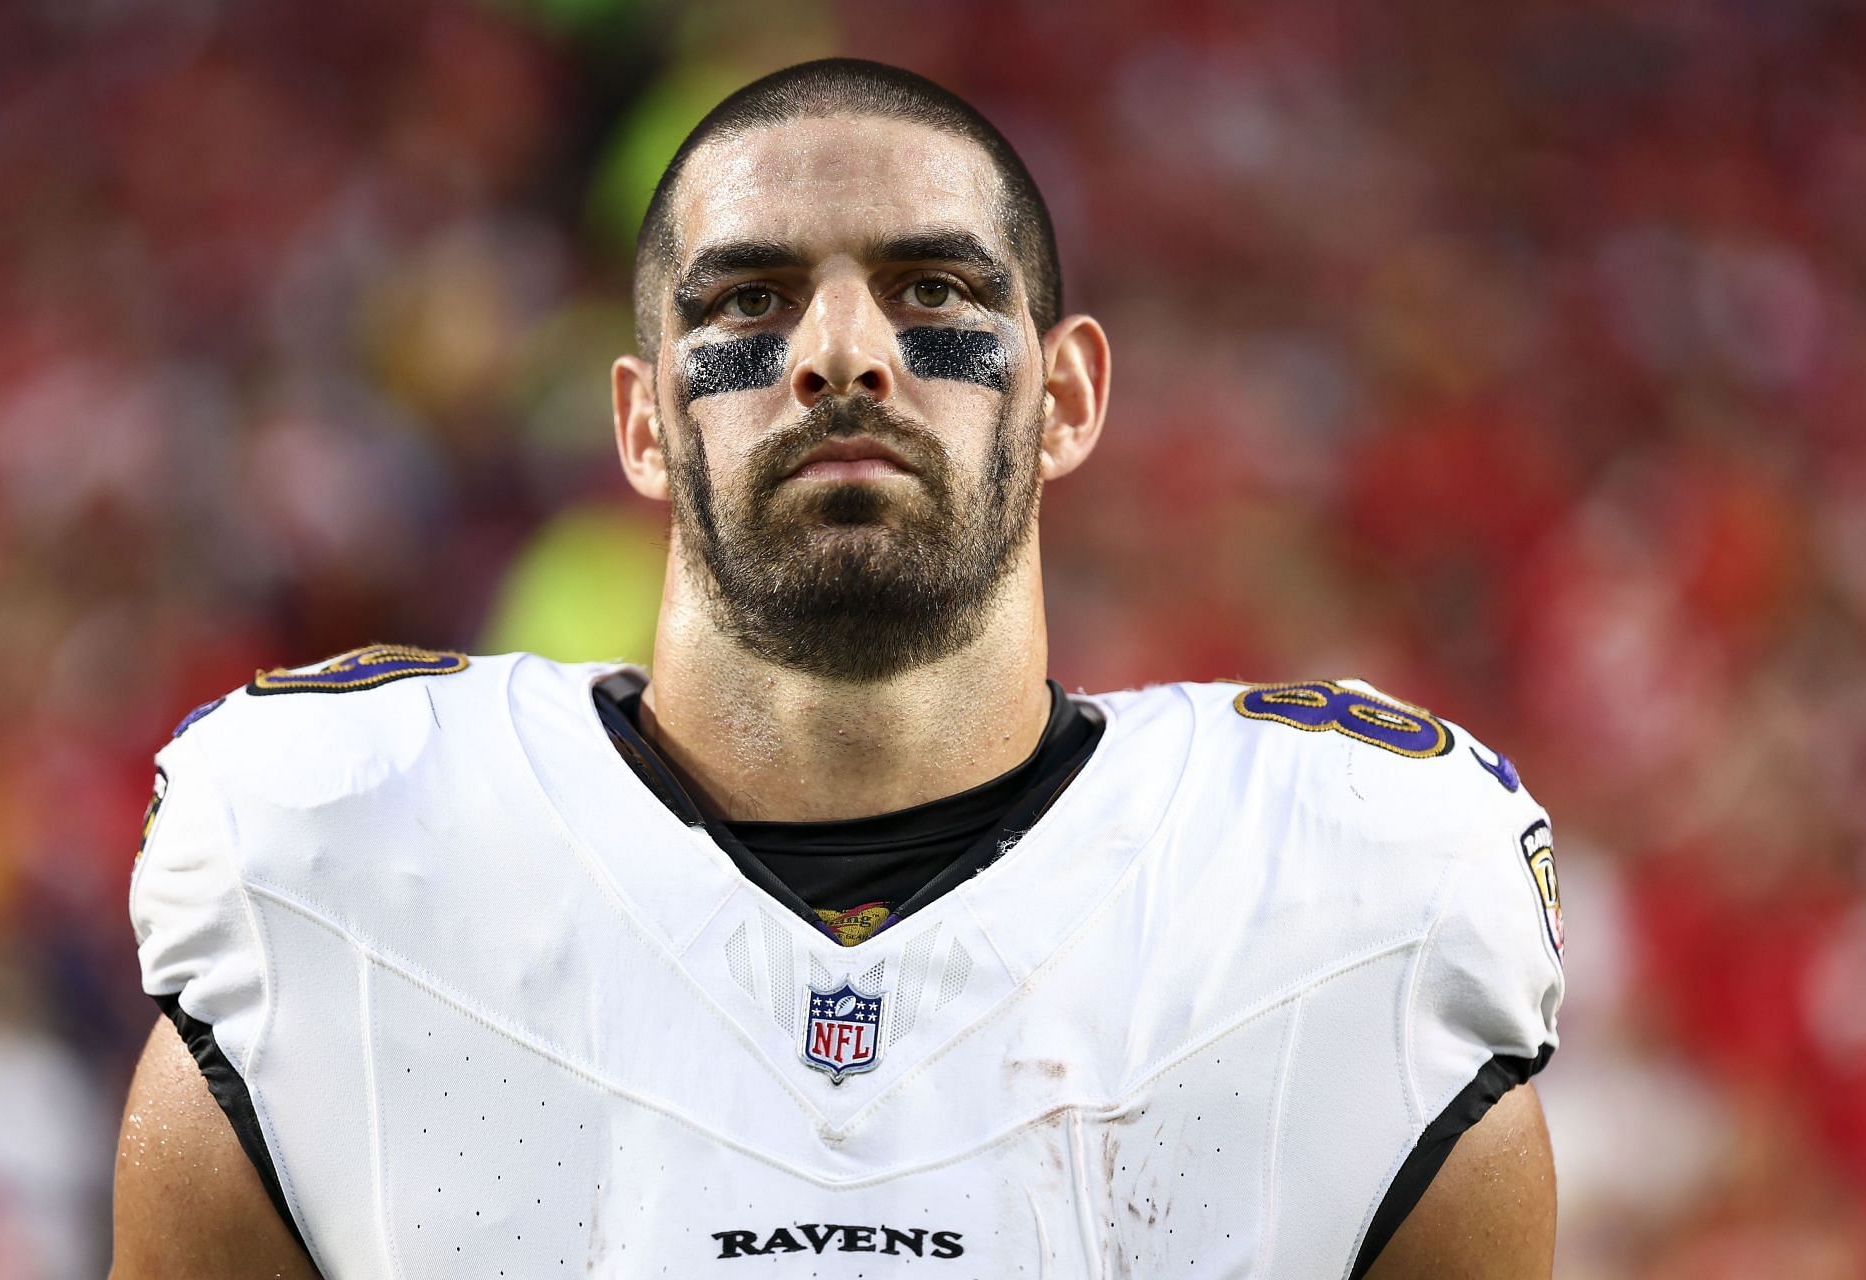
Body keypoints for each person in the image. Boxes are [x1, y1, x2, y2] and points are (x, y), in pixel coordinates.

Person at [111, 59, 1563, 1278]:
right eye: (748, 302)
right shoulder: (340, 870)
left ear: (1064, 398)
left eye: (933, 290)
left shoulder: (1343, 908)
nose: (845, 353)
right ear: (640, 423)